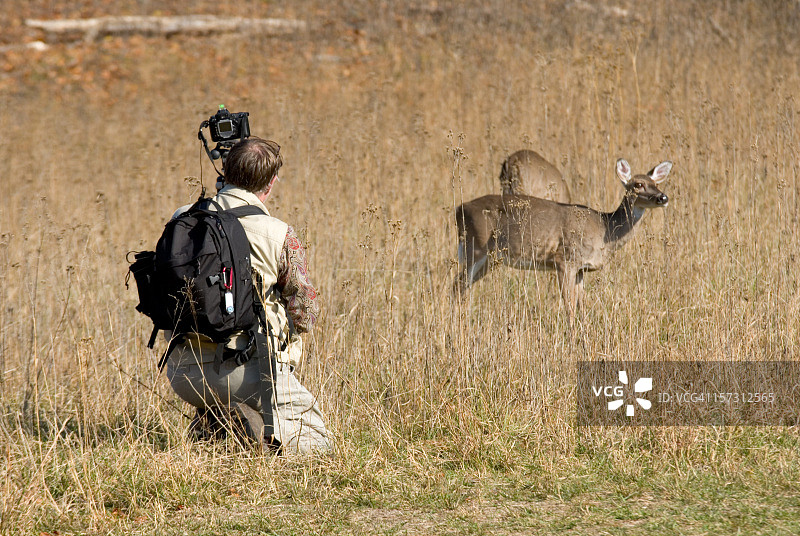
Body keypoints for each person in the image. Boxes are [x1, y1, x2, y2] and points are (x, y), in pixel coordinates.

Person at [164, 137, 330, 454]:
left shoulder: (182, 217)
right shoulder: (279, 233)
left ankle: (217, 421)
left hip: (182, 372)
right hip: (246, 372)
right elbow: (305, 313)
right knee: (319, 442)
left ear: (224, 172)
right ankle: (249, 432)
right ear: (271, 182)